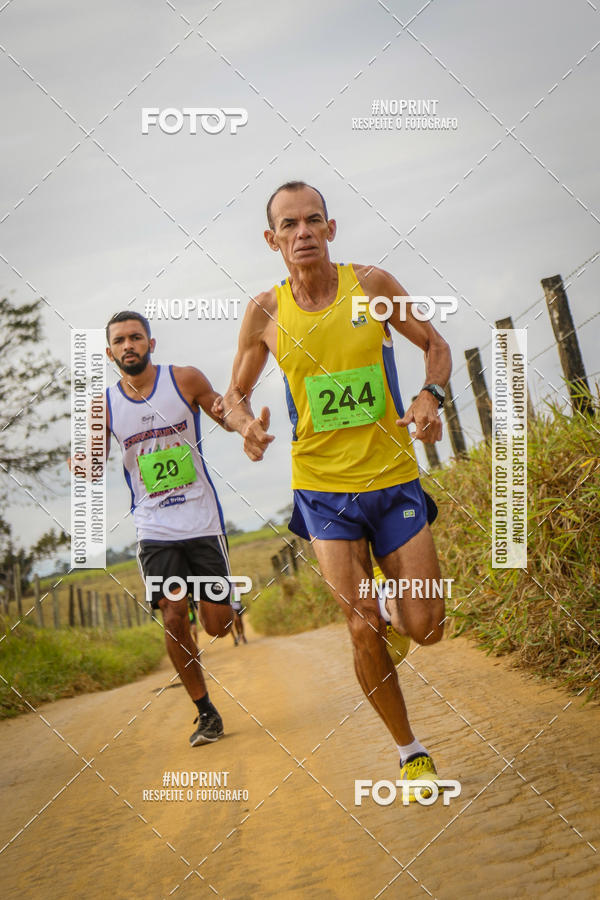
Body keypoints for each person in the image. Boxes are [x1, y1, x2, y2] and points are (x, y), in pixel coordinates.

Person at [220, 181, 452, 792]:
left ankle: (398, 614)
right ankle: (410, 751)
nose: (303, 233)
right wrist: (246, 427)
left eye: (313, 221)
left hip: (394, 479)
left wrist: (430, 395)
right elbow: (233, 396)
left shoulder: (371, 286)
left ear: (331, 228)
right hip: (323, 492)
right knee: (360, 624)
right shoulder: (266, 312)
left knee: (427, 625)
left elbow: (435, 344)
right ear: (272, 240)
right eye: (289, 225)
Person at [104, 311, 234, 747]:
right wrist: (79, 462)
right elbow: (88, 458)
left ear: (151, 343)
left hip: (201, 519)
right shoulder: (104, 404)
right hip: (154, 526)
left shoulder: (184, 380)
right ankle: (206, 713)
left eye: (136, 338)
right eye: (120, 341)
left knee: (218, 625)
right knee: (173, 615)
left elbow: (224, 412)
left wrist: (247, 426)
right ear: (110, 353)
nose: (129, 346)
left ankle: (214, 601)